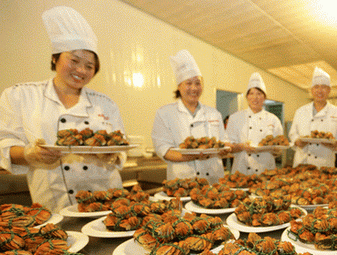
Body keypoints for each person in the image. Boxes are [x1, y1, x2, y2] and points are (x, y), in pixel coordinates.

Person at [0, 6, 126, 213]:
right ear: (54, 57)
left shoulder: (106, 103)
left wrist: (112, 155)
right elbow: (4, 144)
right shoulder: (21, 95)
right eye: (74, 60)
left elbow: (121, 144)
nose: (81, 70)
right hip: (55, 204)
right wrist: (29, 154)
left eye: (89, 65)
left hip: (108, 202)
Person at [152, 50, 227, 184]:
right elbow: (163, 150)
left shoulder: (214, 113)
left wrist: (225, 149)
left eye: (198, 83)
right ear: (179, 86)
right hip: (182, 182)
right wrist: (195, 155)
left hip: (213, 181)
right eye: (188, 83)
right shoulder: (164, 113)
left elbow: (224, 144)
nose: (194, 88)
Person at [225, 73, 284, 175]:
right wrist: (241, 147)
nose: (255, 97)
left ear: (264, 97)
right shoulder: (235, 118)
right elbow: (229, 148)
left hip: (267, 171)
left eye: (259, 94)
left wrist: (276, 150)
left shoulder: (273, 119)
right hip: (242, 171)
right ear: (247, 97)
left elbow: (280, 147)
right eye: (251, 93)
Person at [288, 67, 337, 168]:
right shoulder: (300, 111)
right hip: (302, 162)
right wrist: (297, 141)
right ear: (312, 90)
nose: (320, 91)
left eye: (323, 87)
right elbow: (293, 133)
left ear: (329, 90)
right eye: (316, 87)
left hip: (324, 164)